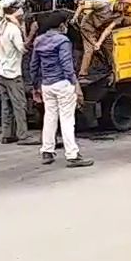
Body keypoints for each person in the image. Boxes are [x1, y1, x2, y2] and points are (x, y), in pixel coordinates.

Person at [29, 14, 93, 168]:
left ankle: (47, 151)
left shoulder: (39, 41)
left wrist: (35, 86)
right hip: (63, 84)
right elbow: (67, 65)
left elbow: (33, 66)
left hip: (47, 85)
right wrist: (76, 86)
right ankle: (72, 155)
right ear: (61, 25)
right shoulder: (63, 41)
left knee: (50, 117)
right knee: (67, 119)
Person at [0, 2, 35, 145]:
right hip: (13, 74)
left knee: (6, 105)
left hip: (2, 72)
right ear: (17, 15)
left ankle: (7, 135)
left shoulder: (1, 28)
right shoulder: (13, 30)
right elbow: (23, 49)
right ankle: (23, 135)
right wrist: (30, 34)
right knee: (19, 104)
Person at [72, 0, 131, 78]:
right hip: (88, 26)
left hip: (100, 28)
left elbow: (108, 29)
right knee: (90, 49)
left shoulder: (120, 15)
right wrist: (75, 18)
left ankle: (112, 69)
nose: (127, 8)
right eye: (126, 6)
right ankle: (83, 74)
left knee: (109, 46)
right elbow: (83, 5)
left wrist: (99, 43)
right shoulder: (102, 3)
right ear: (120, 3)